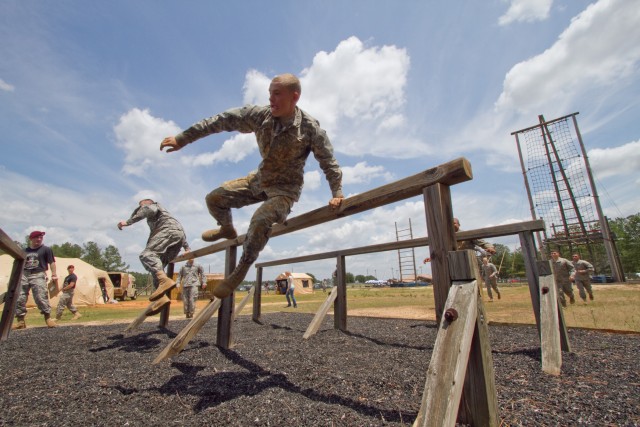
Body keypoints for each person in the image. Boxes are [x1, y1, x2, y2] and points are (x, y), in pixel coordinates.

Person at [160, 73, 344, 299]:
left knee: (260, 219)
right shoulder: (260, 116)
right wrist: (183, 138)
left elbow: (329, 162)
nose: (271, 99)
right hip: (259, 180)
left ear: (294, 97)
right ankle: (226, 228)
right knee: (214, 199)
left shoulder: (309, 128)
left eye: (277, 94)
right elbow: (220, 120)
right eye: (269, 93)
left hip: (284, 191)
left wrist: (337, 193)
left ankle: (241, 269)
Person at [117, 199, 190, 301]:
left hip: (168, 232)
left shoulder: (152, 206)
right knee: (156, 268)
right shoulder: (164, 217)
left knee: (147, 255)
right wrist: (187, 248)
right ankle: (161, 299)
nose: (140, 208)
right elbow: (176, 232)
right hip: (178, 236)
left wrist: (128, 222)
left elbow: (148, 210)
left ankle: (165, 282)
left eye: (140, 206)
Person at [13, 230, 57, 329]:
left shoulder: (46, 249)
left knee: (41, 296)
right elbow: (19, 263)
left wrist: (54, 274)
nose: (39, 239)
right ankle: (20, 322)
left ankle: (48, 319)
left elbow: (52, 262)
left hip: (38, 273)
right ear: (31, 239)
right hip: (24, 274)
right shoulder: (24, 251)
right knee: (20, 297)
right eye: (37, 237)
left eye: (41, 237)